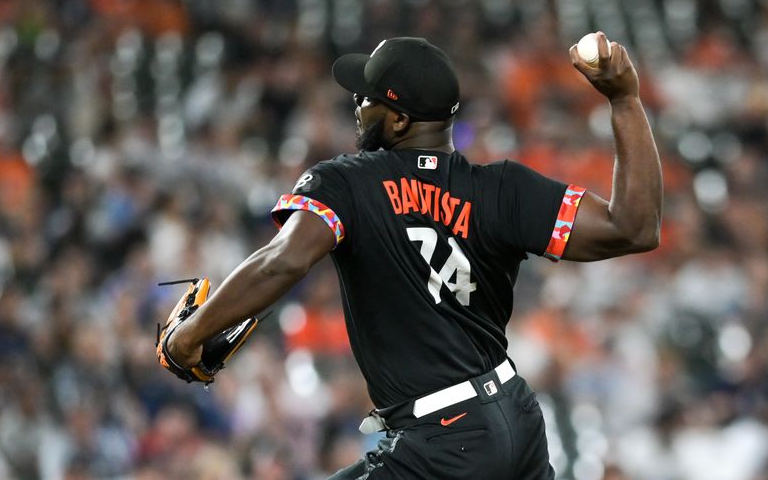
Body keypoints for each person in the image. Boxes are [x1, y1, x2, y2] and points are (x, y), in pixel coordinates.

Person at [165, 33, 662, 479]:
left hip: (443, 440)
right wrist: (624, 100)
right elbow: (634, 227)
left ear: (399, 118)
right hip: (515, 418)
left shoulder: (349, 181)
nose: (358, 104)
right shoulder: (503, 189)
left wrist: (190, 335)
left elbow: (283, 260)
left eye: (369, 99)